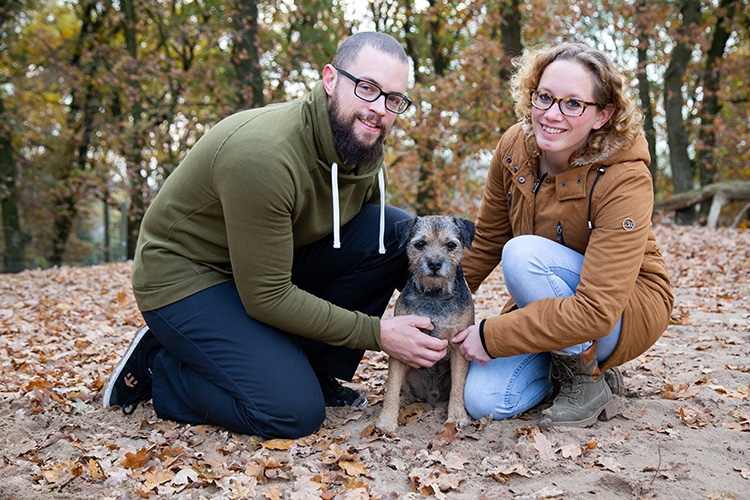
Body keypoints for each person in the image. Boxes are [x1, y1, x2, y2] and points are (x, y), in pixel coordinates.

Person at [102, 32, 450, 439]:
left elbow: (368, 233)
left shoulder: (360, 143)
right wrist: (377, 334)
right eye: (367, 88)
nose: (378, 110)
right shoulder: (263, 156)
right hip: (187, 278)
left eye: (393, 99)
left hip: (265, 262)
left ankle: (314, 371)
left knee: (393, 235)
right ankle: (160, 366)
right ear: (330, 79)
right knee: (292, 412)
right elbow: (266, 296)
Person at [451, 42, 674, 427]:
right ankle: (564, 365)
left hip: (621, 311)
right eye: (545, 97)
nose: (552, 114)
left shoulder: (626, 179)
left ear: (603, 115)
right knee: (485, 401)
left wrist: (491, 335)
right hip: (547, 298)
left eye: (573, 104)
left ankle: (586, 379)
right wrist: (435, 302)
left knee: (522, 255)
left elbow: (596, 310)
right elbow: (487, 240)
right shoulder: (512, 148)